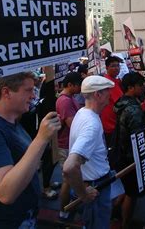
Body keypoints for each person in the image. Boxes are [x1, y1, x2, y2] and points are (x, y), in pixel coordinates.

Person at [0, 72, 61, 229]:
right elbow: (6, 193)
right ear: (6, 92)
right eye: (28, 90)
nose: (33, 96)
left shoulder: (12, 122)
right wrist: (41, 139)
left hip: (24, 218)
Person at [63, 76, 115, 229]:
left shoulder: (82, 113)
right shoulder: (91, 124)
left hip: (95, 182)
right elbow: (69, 166)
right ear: (98, 95)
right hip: (95, 188)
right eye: (107, 92)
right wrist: (84, 194)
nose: (110, 96)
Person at [113, 72, 145, 229]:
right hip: (130, 156)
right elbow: (137, 136)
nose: (143, 88)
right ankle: (125, 224)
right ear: (130, 87)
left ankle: (114, 212)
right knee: (132, 193)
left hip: (120, 153)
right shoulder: (133, 109)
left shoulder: (122, 102)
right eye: (140, 85)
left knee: (124, 188)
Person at [55, 72, 82, 221]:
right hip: (66, 145)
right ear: (70, 85)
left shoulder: (69, 98)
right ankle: (63, 211)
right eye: (78, 85)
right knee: (67, 179)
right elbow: (72, 125)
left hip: (68, 144)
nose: (80, 88)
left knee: (71, 178)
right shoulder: (65, 101)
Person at [100, 56, 124, 145]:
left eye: (118, 65)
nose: (116, 68)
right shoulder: (109, 83)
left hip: (110, 125)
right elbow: (121, 103)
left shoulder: (114, 81)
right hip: (111, 126)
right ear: (106, 68)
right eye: (113, 66)